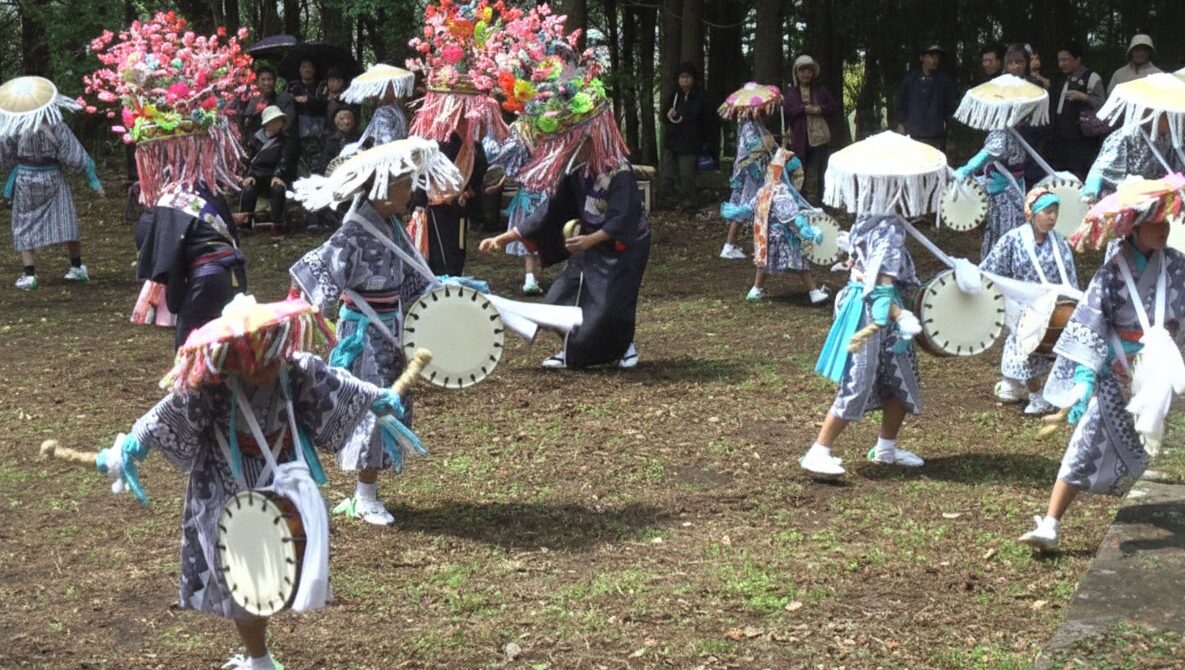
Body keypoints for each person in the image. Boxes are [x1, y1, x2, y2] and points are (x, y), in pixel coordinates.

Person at [77, 293, 421, 669]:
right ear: (233, 354)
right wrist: (131, 446)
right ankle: (259, 659)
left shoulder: (299, 370)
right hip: (224, 484)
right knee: (240, 574)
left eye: (269, 352)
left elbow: (341, 388)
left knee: (286, 563)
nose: (263, 365)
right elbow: (165, 415)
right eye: (251, 356)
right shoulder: (208, 386)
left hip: (284, 477)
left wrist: (375, 399)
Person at [289, 137, 459, 526]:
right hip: (363, 335)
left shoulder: (391, 226)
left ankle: (367, 491)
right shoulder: (354, 231)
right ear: (383, 187)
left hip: (391, 328)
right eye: (404, 182)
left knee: (388, 405)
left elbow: (416, 281)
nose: (411, 189)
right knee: (375, 407)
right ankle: (364, 496)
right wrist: (308, 320)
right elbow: (317, 282)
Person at [1018, 181, 1185, 551]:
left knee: (1150, 442)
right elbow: (1089, 323)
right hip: (1115, 371)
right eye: (1156, 223)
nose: (1165, 228)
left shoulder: (1176, 266)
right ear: (1135, 226)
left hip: (1156, 373)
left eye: (1166, 222)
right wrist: (1083, 377)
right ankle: (1051, 523)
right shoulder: (1111, 273)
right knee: (1085, 443)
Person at [478, 21, 647, 370]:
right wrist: (506, 235)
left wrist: (590, 240)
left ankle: (623, 347)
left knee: (608, 308)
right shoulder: (576, 172)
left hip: (620, 248)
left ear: (591, 137)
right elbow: (551, 212)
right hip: (587, 245)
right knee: (557, 301)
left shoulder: (618, 171)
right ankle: (571, 348)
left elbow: (623, 219)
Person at [85, 11, 252, 348]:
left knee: (190, 354)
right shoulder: (209, 189)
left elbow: (149, 245)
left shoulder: (168, 199)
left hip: (206, 280)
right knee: (228, 352)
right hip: (235, 274)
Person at [800, 213, 925, 477]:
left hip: (877, 305)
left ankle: (886, 449)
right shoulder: (889, 229)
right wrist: (898, 315)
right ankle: (819, 451)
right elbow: (879, 286)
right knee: (858, 380)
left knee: (902, 375)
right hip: (868, 309)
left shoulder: (877, 218)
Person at [979, 187, 1079, 412]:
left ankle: (1020, 388)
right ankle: (1032, 394)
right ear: (1031, 214)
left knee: (1029, 349)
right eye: (1047, 212)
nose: (1052, 217)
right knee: (1022, 348)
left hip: (1051, 306)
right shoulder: (1012, 240)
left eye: (1055, 212)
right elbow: (989, 270)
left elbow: (1069, 278)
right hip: (1021, 306)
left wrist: (1071, 304)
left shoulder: (1060, 243)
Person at [0, 76, 105, 290]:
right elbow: (73, 152)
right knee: (66, 219)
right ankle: (76, 267)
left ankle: (29, 274)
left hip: (25, 180)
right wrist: (92, 179)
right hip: (52, 178)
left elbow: (5, 154)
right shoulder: (55, 125)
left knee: (23, 223)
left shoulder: (14, 127)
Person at [743, 147, 829, 304]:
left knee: (763, 263)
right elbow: (790, 217)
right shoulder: (782, 192)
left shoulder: (763, 190)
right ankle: (814, 292)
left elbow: (750, 208)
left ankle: (756, 289)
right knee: (801, 263)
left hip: (766, 236)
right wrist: (806, 230)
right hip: (784, 235)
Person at [719, 88, 778, 261]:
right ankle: (730, 245)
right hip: (751, 171)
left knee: (751, 205)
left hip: (754, 169)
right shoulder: (748, 126)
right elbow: (753, 146)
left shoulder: (756, 124)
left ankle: (750, 243)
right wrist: (769, 141)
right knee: (745, 205)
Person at [1083, 114, 1178, 202]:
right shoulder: (1124, 137)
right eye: (1169, 120)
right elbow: (1101, 172)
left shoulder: (1168, 139)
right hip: (1120, 203)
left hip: (1156, 201)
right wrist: (1091, 192)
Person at [784, 55, 838, 202]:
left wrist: (820, 109)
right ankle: (801, 201)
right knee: (800, 170)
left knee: (822, 169)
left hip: (819, 136)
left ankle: (822, 201)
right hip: (799, 137)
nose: (806, 74)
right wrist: (803, 108)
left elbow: (833, 107)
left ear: (813, 73)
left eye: (809, 71)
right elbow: (787, 111)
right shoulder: (790, 94)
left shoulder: (821, 91)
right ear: (796, 73)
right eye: (802, 71)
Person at [1050, 43, 1105, 181]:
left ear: (1077, 59)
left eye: (1066, 60)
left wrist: (1084, 97)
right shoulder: (1060, 78)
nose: (1062, 64)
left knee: (1080, 172)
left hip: (1082, 137)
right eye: (1059, 60)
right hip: (1060, 135)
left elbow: (1103, 103)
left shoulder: (1091, 77)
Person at [239, 106, 296, 238]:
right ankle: (245, 223)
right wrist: (249, 175)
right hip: (257, 175)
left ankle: (277, 224)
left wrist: (278, 175)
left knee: (278, 188)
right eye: (273, 121)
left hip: (273, 176)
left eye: (278, 121)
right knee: (248, 189)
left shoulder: (285, 141)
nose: (276, 124)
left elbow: (284, 161)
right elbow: (248, 160)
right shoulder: (255, 140)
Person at [658, 63, 706, 211]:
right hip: (672, 140)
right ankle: (669, 200)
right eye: (682, 77)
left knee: (686, 174)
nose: (684, 80)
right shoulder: (675, 94)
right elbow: (665, 115)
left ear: (693, 79)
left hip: (689, 142)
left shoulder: (699, 95)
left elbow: (696, 114)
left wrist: (679, 114)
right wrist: (669, 115)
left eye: (687, 77)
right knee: (668, 172)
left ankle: (689, 202)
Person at [893, 44, 956, 151]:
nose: (935, 60)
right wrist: (901, 123)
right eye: (931, 56)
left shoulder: (944, 81)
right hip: (913, 134)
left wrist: (946, 126)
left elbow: (949, 108)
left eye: (937, 57)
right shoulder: (910, 80)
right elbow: (900, 104)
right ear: (922, 58)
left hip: (936, 135)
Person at [287, 58, 327, 174]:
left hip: (317, 132)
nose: (307, 69)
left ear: (314, 69)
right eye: (304, 67)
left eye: (309, 67)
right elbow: (285, 104)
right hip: (296, 131)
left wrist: (309, 100)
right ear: (299, 70)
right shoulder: (293, 86)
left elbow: (325, 105)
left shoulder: (321, 86)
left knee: (316, 165)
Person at [237, 65, 295, 139]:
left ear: (274, 81)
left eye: (269, 79)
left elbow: (287, 124)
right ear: (257, 82)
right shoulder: (250, 101)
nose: (266, 83)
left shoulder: (283, 101)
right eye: (263, 79)